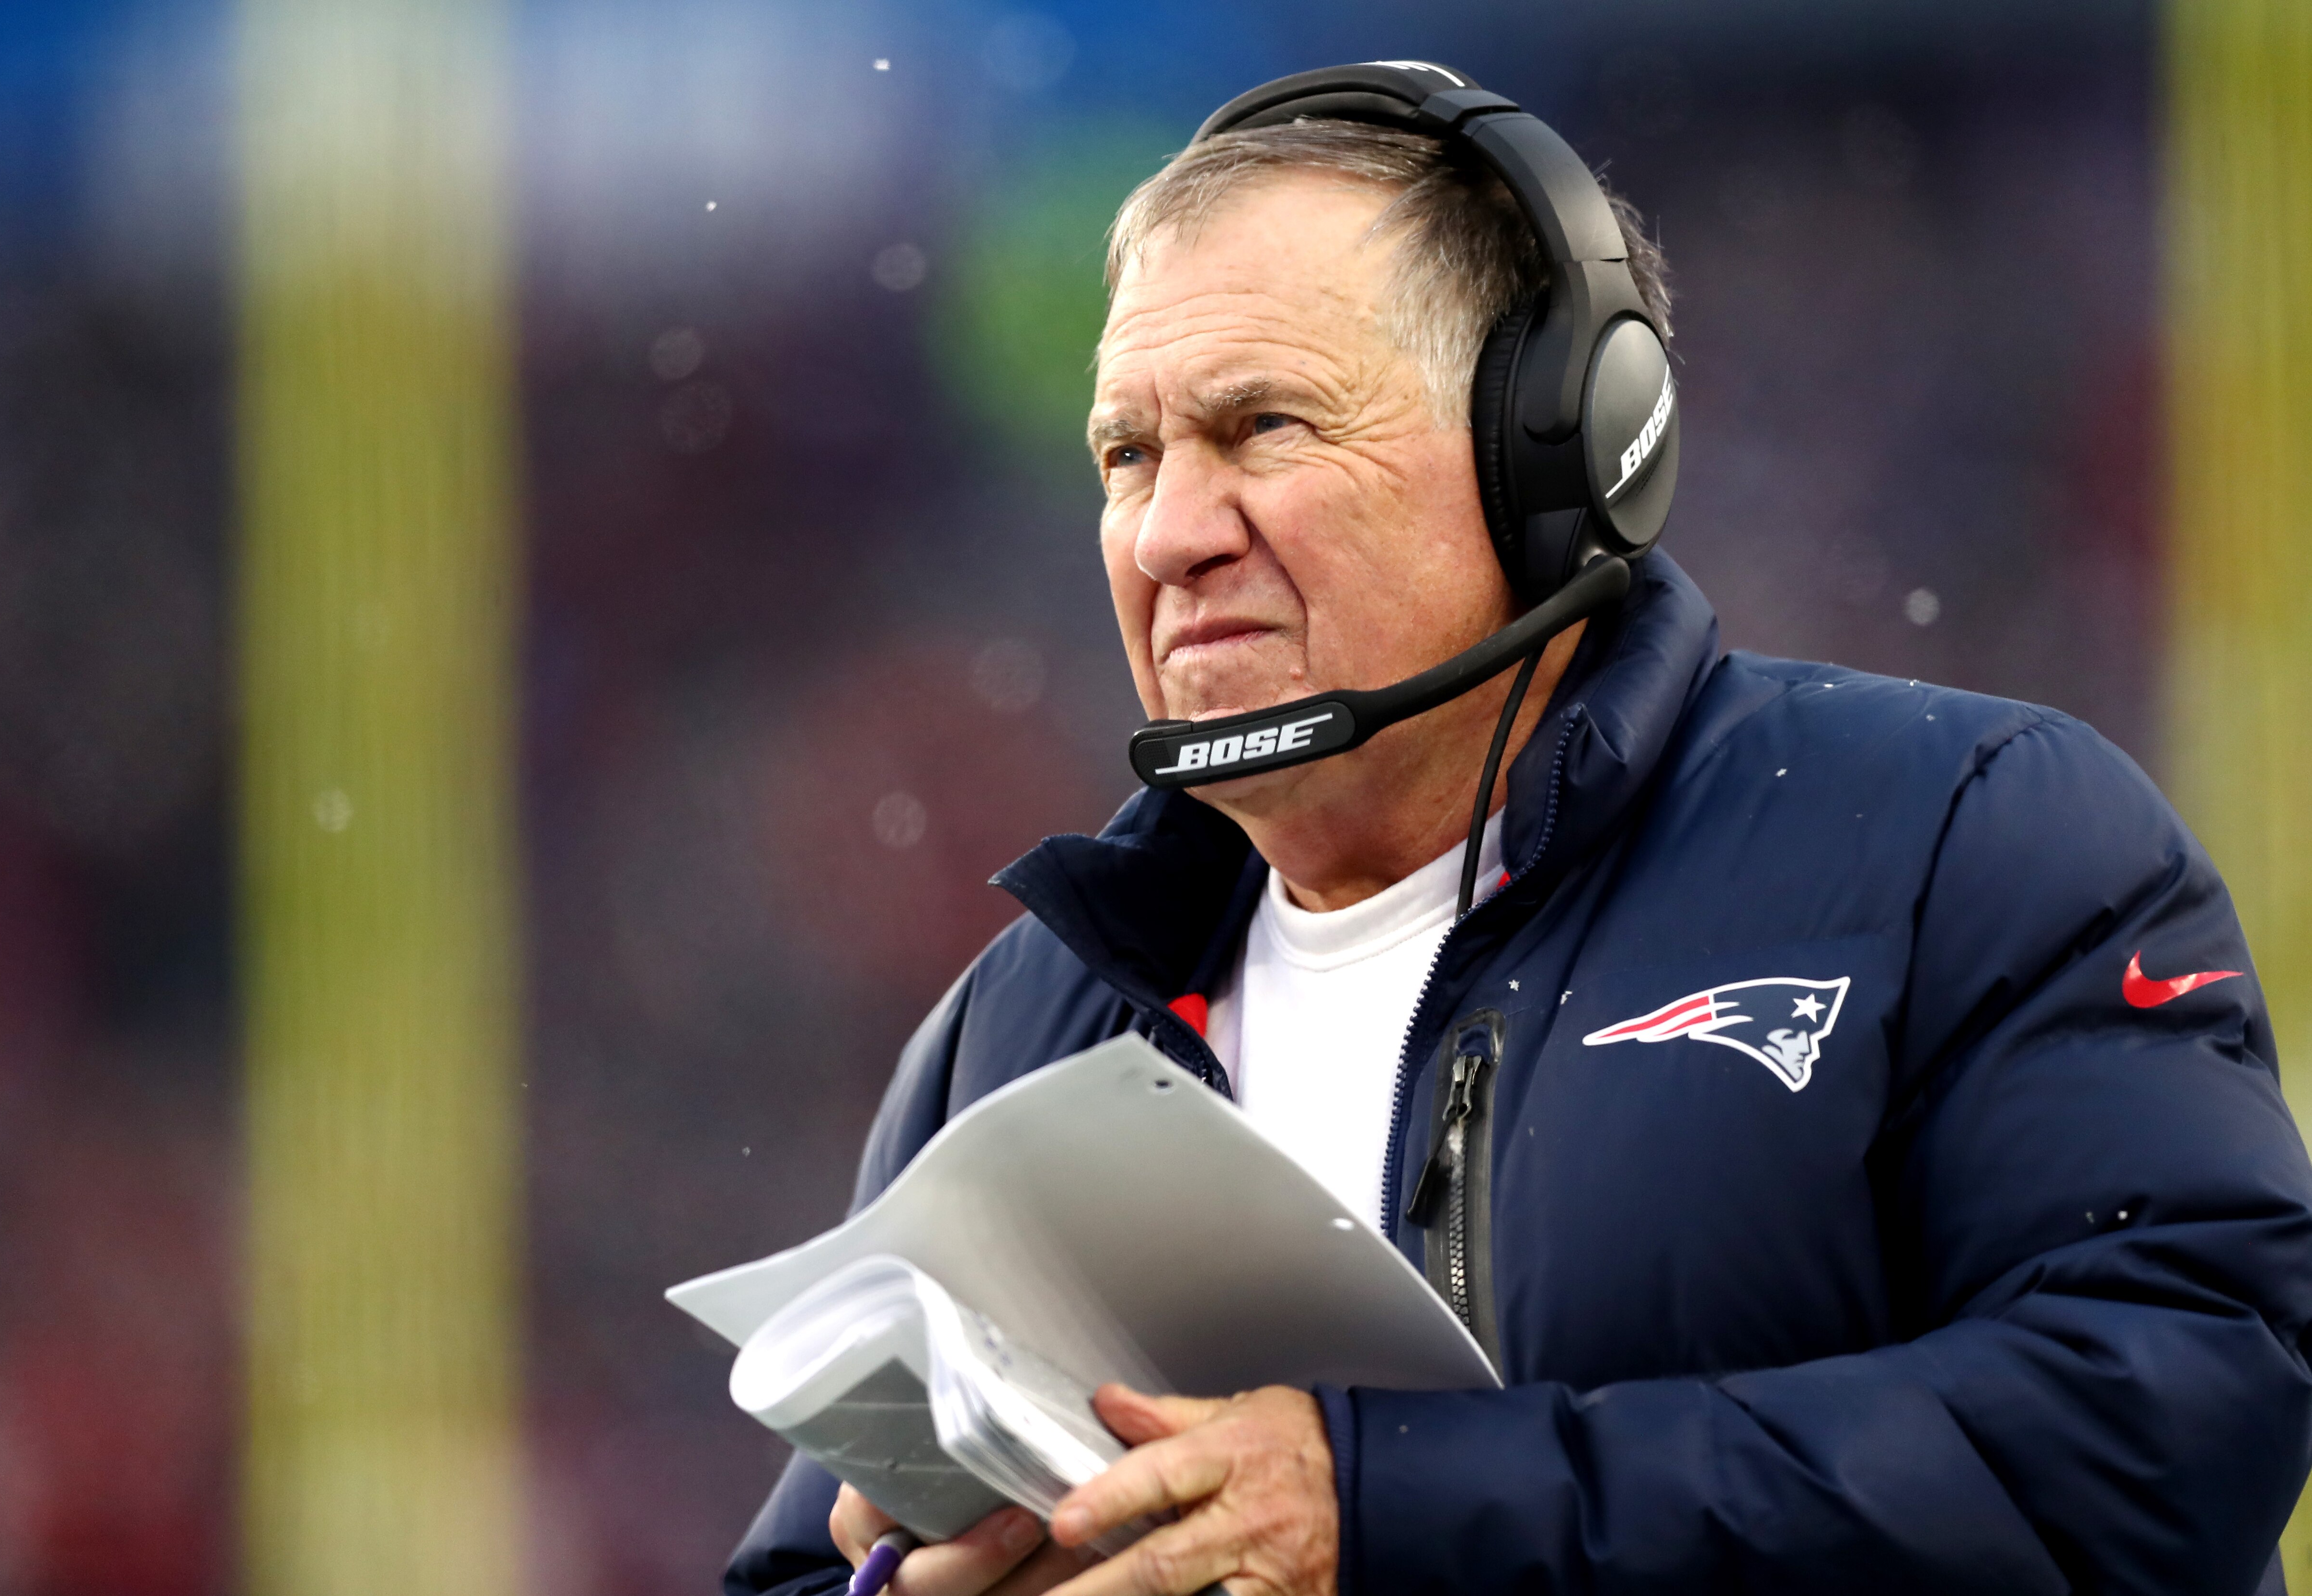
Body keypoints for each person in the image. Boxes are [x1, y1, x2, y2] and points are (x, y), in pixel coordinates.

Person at [729, 62, 2312, 1596]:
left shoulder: (1962, 841)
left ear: (1556, 455)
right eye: (1127, 456)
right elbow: (804, 1571)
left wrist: (1393, 1511)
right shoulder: (1018, 1026)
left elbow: (2163, 1432)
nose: (1168, 535)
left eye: (1264, 426)